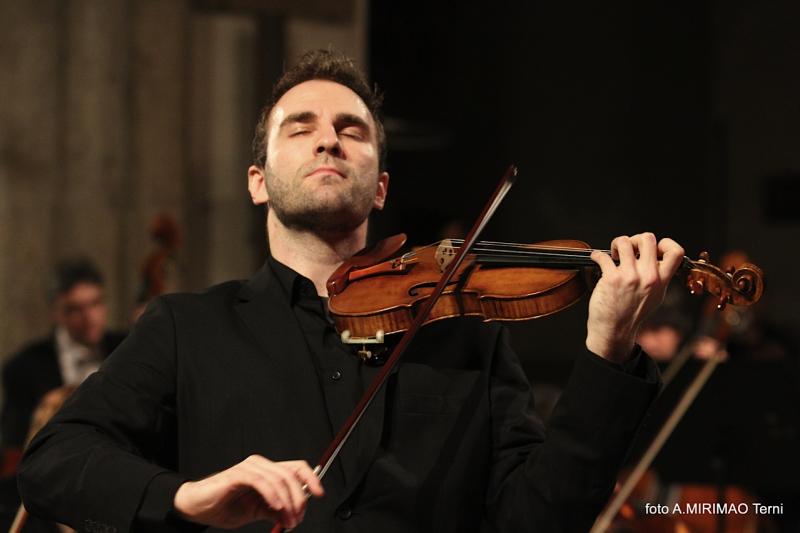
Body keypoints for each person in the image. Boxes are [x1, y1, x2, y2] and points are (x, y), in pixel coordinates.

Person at [19, 50, 685, 532]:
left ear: (382, 186)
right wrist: (185, 496)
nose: (329, 141)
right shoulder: (186, 327)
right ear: (257, 181)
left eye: (352, 129)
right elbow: (53, 461)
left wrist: (607, 350)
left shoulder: (465, 337)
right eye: (301, 127)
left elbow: (543, 517)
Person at [1, 259, 125, 473]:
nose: (90, 317)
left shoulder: (126, 348)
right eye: (75, 309)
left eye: (95, 303)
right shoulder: (23, 367)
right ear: (56, 313)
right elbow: (14, 448)